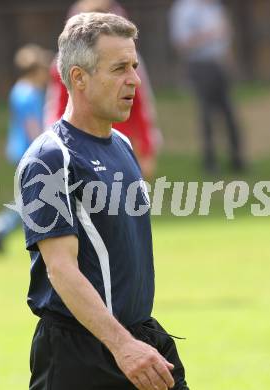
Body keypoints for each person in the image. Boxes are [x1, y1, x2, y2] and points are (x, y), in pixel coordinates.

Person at [19, 12, 189, 390]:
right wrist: (122, 345)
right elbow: (60, 270)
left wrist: (132, 342)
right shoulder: (50, 159)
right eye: (119, 69)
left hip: (137, 339)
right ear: (79, 77)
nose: (134, 80)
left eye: (134, 66)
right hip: (81, 355)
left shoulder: (123, 146)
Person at [44, 0, 162, 181]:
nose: (134, 79)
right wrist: (55, 143)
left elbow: (142, 106)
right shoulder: (62, 63)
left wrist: (146, 147)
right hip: (77, 145)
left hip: (119, 145)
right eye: (118, 69)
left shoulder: (130, 59)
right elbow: (57, 105)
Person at [0, 44, 52, 253]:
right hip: (29, 151)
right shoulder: (28, 93)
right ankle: (2, 226)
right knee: (38, 197)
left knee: (36, 196)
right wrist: (44, 150)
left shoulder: (20, 89)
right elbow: (32, 126)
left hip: (20, 149)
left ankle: (3, 226)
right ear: (36, 70)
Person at [169, 0, 245, 173]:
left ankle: (237, 159)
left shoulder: (215, 7)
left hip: (219, 64)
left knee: (230, 112)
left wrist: (228, 60)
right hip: (200, 66)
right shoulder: (184, 9)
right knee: (207, 115)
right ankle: (210, 162)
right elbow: (181, 43)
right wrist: (208, 35)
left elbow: (225, 37)